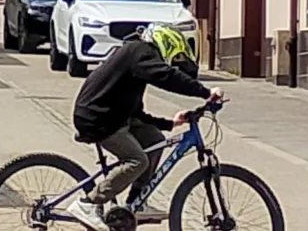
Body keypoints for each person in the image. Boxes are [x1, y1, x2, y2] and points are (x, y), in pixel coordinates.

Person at [67, 24, 222, 230]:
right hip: (97, 119)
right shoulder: (139, 51)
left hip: (113, 116)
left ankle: (136, 202)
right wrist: (205, 92)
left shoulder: (135, 60)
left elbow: (137, 113)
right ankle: (88, 203)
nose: (170, 62)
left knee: (155, 141)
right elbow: (166, 76)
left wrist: (169, 123)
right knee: (136, 160)